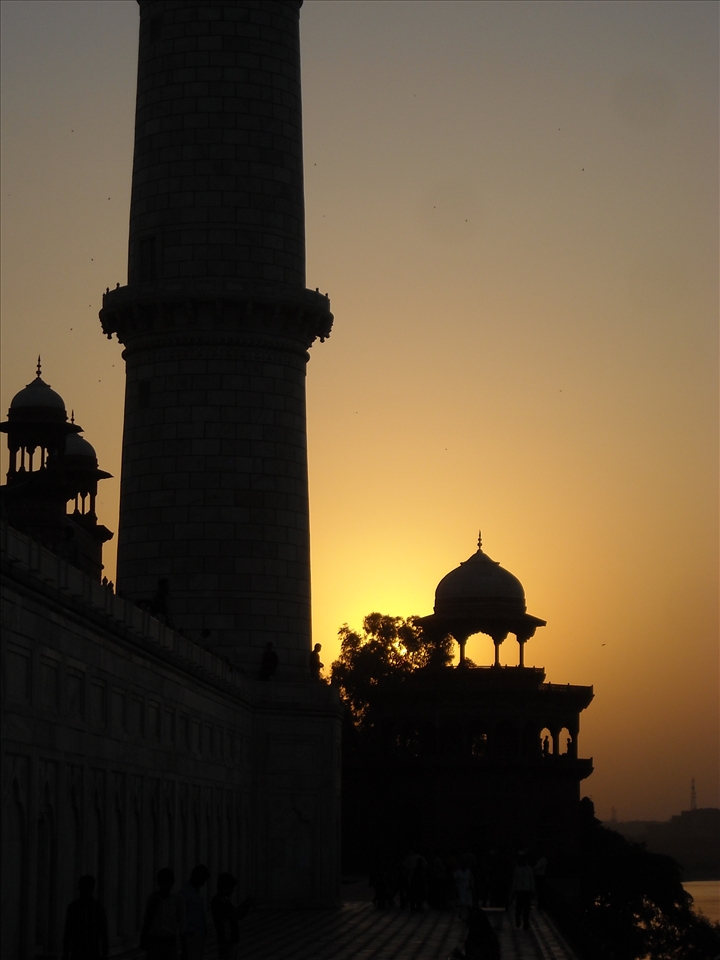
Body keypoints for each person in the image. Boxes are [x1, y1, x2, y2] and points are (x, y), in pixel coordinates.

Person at [140, 868, 187, 960]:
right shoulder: (154, 899)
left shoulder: (177, 900)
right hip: (157, 941)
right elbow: (182, 925)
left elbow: (182, 924)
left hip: (166, 941)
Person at [62, 875, 108, 960]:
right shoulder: (98, 908)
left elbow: (68, 932)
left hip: (80, 952)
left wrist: (66, 952)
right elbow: (103, 932)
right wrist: (105, 952)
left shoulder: (74, 907)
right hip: (90, 951)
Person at [210, 873, 253, 960]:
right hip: (226, 940)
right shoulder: (218, 901)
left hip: (229, 939)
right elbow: (235, 914)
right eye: (231, 888)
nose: (232, 891)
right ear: (225, 887)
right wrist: (245, 905)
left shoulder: (222, 901)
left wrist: (245, 905)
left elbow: (237, 915)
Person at [179, 865, 210, 960]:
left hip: (194, 935)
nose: (203, 884)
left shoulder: (189, 893)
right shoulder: (186, 894)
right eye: (203, 880)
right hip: (191, 935)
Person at [509, 851, 535, 930]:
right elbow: (515, 880)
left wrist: (532, 890)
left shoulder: (529, 869)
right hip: (520, 890)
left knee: (525, 909)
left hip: (526, 891)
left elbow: (531, 880)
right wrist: (513, 890)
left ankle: (525, 923)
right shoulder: (518, 869)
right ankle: (518, 921)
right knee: (519, 908)